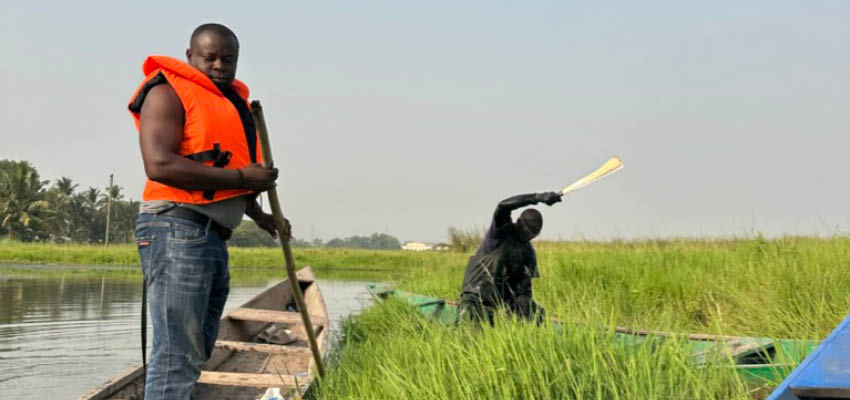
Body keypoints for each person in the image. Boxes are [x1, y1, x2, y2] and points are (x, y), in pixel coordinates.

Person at [128, 23, 287, 399]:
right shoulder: (167, 92)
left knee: (197, 347)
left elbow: (220, 174)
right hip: (177, 229)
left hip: (210, 236)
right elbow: (159, 164)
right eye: (209, 57)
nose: (219, 65)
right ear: (190, 57)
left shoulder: (231, 104)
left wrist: (261, 215)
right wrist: (240, 176)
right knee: (176, 355)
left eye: (227, 59)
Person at [458, 192, 562, 325]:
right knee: (472, 329)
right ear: (518, 222)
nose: (527, 236)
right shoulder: (501, 231)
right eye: (526, 231)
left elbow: (524, 290)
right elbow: (503, 206)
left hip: (502, 300)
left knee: (536, 314)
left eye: (532, 235)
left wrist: (524, 309)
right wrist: (537, 198)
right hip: (476, 296)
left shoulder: (528, 252)